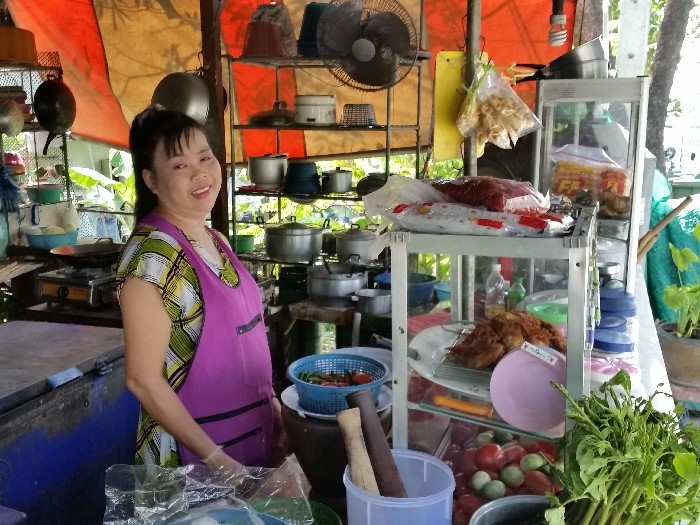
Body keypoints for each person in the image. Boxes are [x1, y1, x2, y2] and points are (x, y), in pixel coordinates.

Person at [116, 105, 287, 471]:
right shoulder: (152, 260)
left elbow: (247, 342)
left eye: (205, 157)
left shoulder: (215, 240)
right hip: (189, 464)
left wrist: (272, 406)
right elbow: (143, 380)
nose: (200, 173)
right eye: (180, 165)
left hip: (248, 437)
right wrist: (216, 460)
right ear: (151, 180)